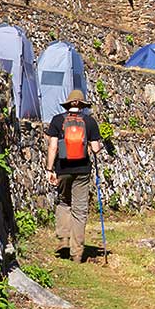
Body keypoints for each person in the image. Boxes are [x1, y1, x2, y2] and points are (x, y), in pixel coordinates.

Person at [45, 89, 104, 261]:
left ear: (69, 104)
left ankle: (64, 238)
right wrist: (100, 146)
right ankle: (77, 252)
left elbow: (53, 147)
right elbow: (95, 149)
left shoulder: (57, 120)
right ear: (82, 104)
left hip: (63, 169)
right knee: (80, 210)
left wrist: (49, 169)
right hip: (82, 171)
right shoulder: (90, 122)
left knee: (64, 202)